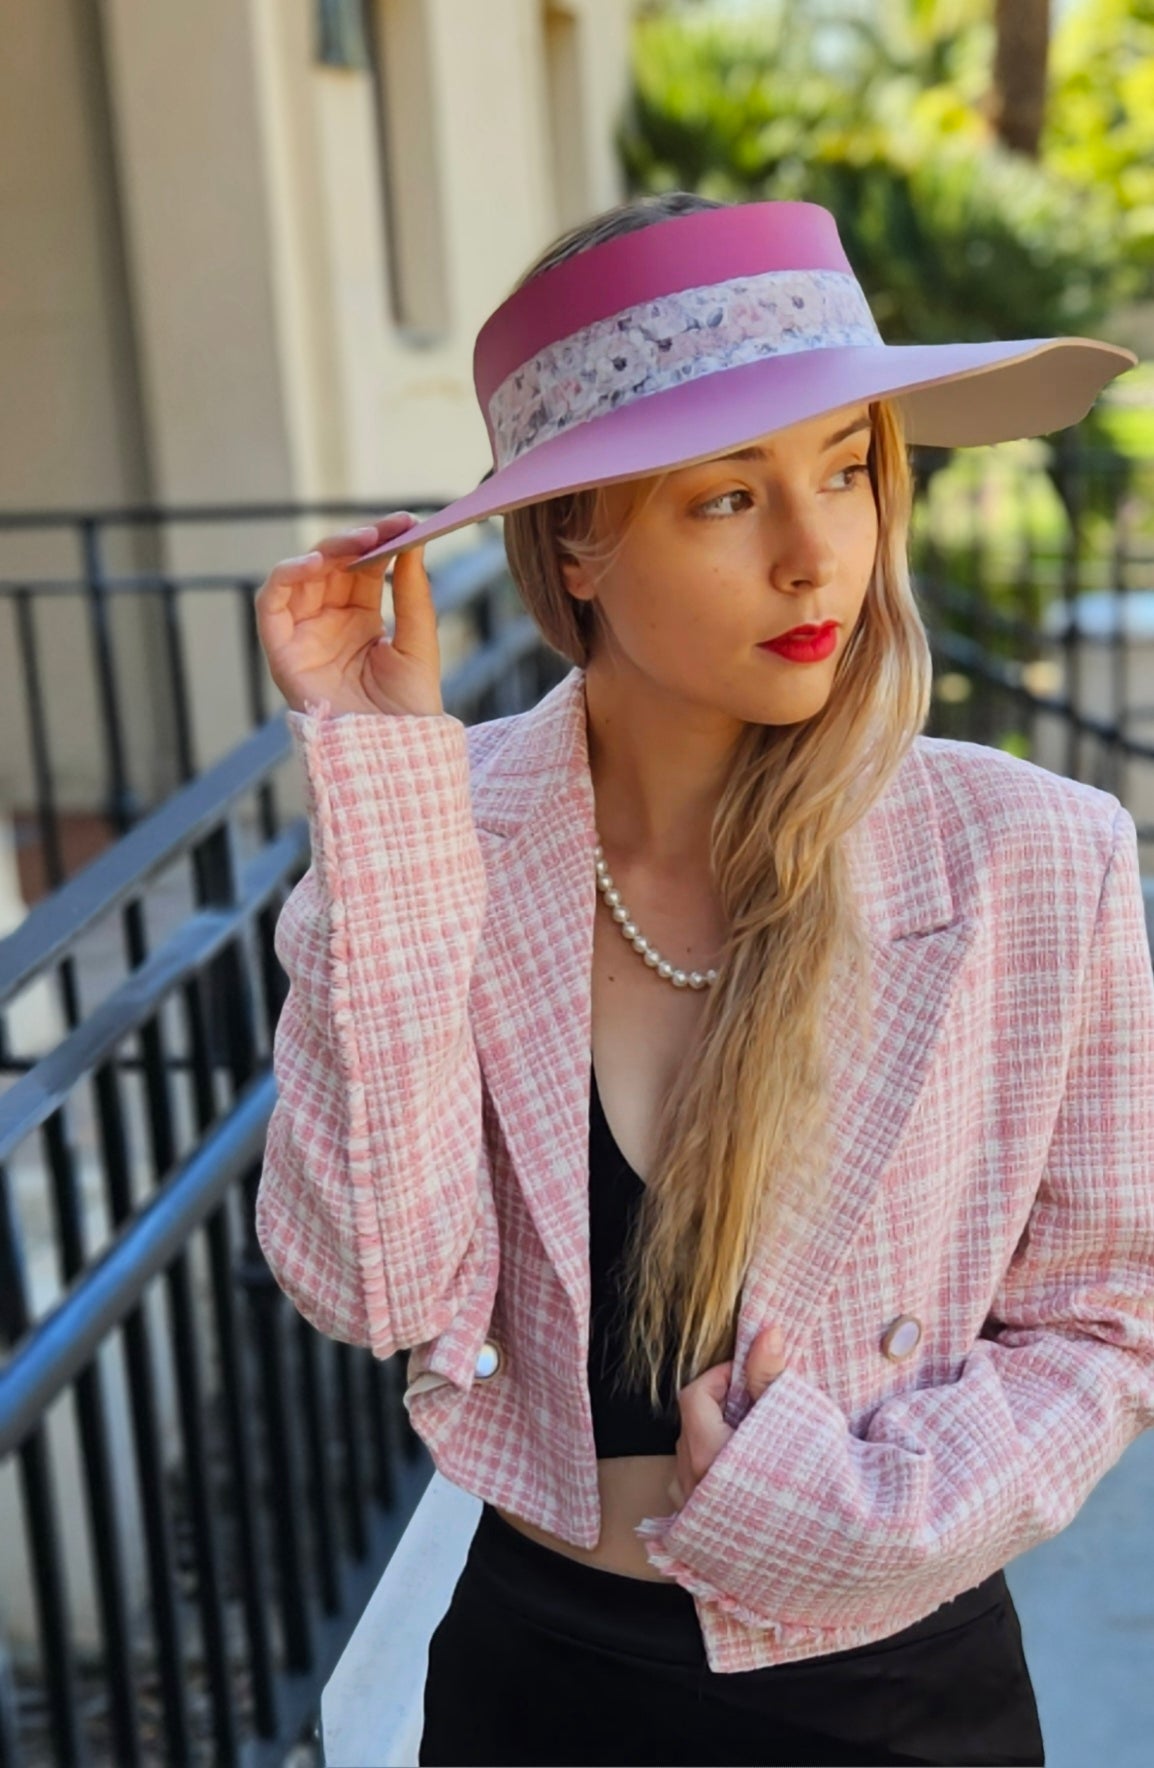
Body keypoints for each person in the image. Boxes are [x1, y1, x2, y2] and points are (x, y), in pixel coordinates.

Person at [253, 194, 1154, 1767]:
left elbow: (1109, 1321)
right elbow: (371, 1286)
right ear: (578, 541)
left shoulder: (1031, 856)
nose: (821, 558)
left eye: (849, 472)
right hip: (538, 1679)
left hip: (896, 1691)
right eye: (730, 499)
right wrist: (382, 775)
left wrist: (856, 1512)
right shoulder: (436, 841)